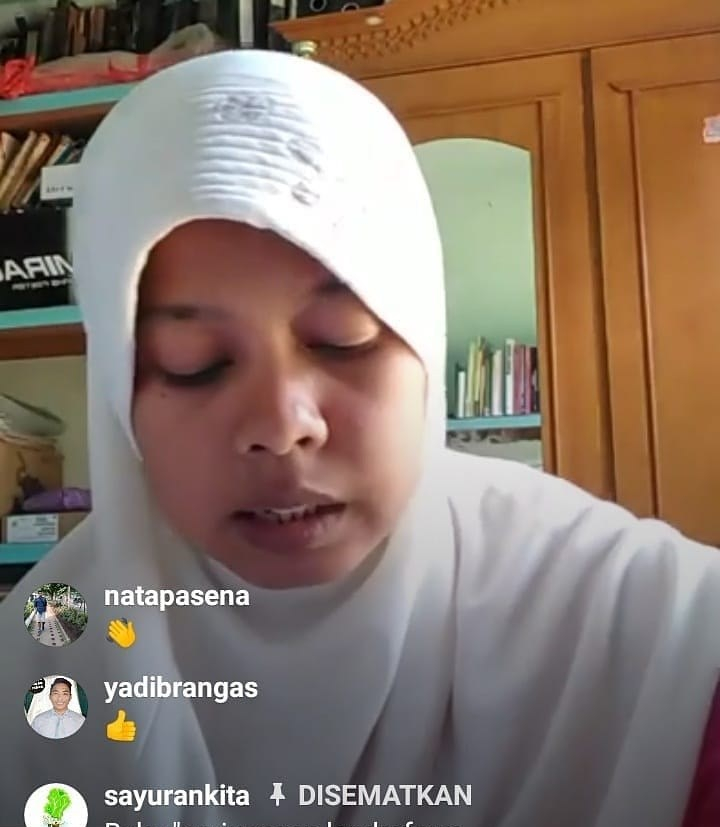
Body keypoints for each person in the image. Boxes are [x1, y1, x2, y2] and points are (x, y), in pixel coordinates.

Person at [0, 50, 718, 826]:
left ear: (422, 335)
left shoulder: (640, 633)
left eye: (344, 338)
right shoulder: (44, 652)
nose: (283, 426)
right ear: (117, 391)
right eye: (194, 361)